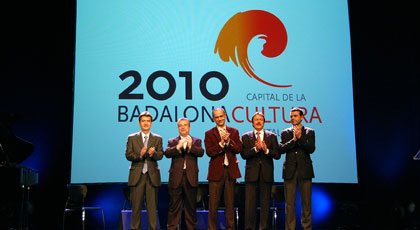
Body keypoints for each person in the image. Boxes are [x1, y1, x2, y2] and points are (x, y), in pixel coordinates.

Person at [241, 112, 280, 230]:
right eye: (256, 120)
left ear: (264, 122)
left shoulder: (272, 136)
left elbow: (277, 154)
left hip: (266, 174)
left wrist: (266, 150)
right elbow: (243, 154)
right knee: (250, 204)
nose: (258, 121)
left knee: (265, 203)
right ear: (252, 122)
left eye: (260, 120)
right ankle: (249, 227)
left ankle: (263, 227)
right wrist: (255, 149)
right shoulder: (246, 136)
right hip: (251, 174)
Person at [204, 107, 242, 230]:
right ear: (214, 119)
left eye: (221, 116)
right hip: (216, 173)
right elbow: (209, 152)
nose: (219, 119)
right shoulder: (209, 133)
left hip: (230, 172)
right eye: (217, 117)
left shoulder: (234, 131)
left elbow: (238, 149)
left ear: (225, 116)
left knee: (230, 204)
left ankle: (230, 228)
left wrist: (229, 141)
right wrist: (221, 144)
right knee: (213, 204)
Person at [125, 111, 164, 230]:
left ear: (151, 123)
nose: (146, 123)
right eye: (143, 121)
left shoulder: (157, 138)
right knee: (136, 207)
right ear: (139, 123)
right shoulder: (132, 138)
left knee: (152, 208)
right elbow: (128, 155)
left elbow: (161, 155)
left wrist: (154, 154)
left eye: (148, 121)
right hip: (137, 176)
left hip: (152, 176)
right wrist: (140, 155)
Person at [279, 107, 316, 230]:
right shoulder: (285, 132)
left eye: (295, 116)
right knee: (289, 203)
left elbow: (311, 149)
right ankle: (290, 228)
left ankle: (307, 227)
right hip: (290, 171)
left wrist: (300, 139)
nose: (292, 118)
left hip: (305, 171)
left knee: (306, 203)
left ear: (301, 117)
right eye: (291, 116)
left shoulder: (309, 132)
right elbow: (281, 149)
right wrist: (293, 140)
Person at [164, 118, 204, 230]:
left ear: (189, 127)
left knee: (191, 208)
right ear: (178, 127)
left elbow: (201, 152)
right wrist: (178, 147)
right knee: (174, 208)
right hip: (176, 179)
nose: (182, 127)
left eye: (185, 125)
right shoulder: (172, 141)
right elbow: (167, 153)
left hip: (191, 179)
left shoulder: (196, 141)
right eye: (180, 125)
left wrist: (190, 146)